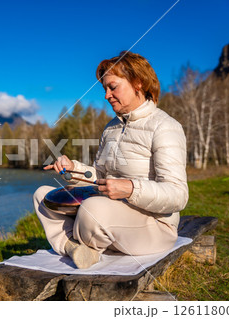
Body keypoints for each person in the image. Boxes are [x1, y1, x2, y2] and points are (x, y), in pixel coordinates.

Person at [33, 51, 188, 269]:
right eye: (104, 89)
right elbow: (101, 178)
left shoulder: (165, 126)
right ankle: (74, 248)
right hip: (111, 212)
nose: (106, 95)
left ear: (138, 83)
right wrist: (73, 168)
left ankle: (86, 241)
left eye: (112, 87)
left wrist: (131, 189)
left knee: (94, 208)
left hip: (154, 225)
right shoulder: (111, 128)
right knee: (43, 196)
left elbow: (177, 195)